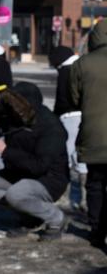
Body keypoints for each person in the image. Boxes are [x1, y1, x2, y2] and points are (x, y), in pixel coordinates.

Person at [0, 82, 70, 241]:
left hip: (48, 179)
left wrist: (5, 151)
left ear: (27, 107)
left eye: (15, 107)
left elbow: (40, 166)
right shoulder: (12, 113)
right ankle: (31, 218)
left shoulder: (51, 127)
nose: (10, 111)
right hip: (19, 172)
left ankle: (56, 218)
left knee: (16, 194)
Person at [70, 19, 107, 249]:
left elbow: (74, 99)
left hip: (93, 135)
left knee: (95, 184)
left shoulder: (82, 64)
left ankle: (96, 228)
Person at [48, 45, 87, 212]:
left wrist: (55, 117)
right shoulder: (81, 67)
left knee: (66, 156)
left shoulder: (65, 71)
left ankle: (68, 196)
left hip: (69, 117)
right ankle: (85, 198)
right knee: (82, 158)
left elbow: (62, 99)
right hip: (84, 116)